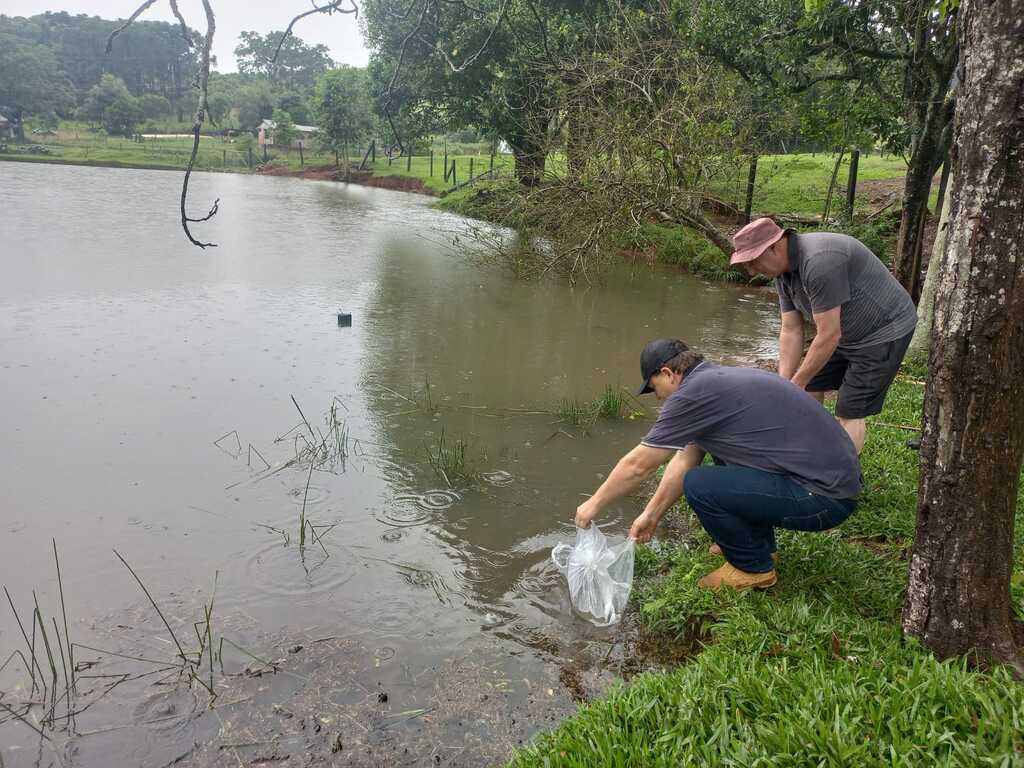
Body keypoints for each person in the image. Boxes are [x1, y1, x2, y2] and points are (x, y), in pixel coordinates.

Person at [574, 338, 861, 589]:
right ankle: (760, 549)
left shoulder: (692, 395)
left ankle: (753, 568)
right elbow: (685, 457)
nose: (658, 398)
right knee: (721, 456)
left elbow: (639, 465)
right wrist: (651, 515)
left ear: (668, 373)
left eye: (654, 388)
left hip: (824, 499)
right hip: (833, 486)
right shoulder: (713, 382)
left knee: (699, 484)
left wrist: (593, 504)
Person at [730, 217, 917, 454]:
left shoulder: (819, 262)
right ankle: (809, 454)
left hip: (882, 331)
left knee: (850, 408)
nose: (751, 270)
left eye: (753, 262)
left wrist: (797, 383)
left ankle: (841, 484)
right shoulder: (783, 273)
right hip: (843, 332)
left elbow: (829, 335)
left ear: (774, 247)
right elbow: (791, 329)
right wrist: (785, 384)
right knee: (810, 388)